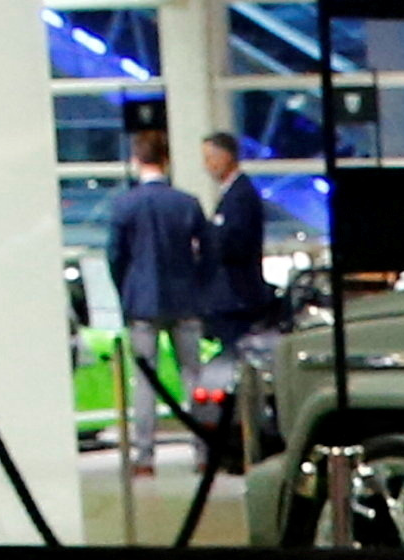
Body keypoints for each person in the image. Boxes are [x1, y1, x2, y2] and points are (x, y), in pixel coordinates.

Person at [100, 131, 209, 461]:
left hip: (142, 303)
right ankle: (203, 450)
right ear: (167, 160)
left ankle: (145, 454)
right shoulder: (187, 203)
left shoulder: (124, 204)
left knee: (145, 380)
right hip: (186, 299)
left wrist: (126, 290)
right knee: (194, 377)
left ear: (136, 161)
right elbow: (208, 252)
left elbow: (115, 256)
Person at [193, 131, 281, 467]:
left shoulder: (242, 197)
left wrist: (208, 241)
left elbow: (235, 244)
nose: (207, 165)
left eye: (210, 157)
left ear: (227, 156)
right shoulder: (233, 196)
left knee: (238, 372)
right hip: (231, 297)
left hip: (238, 298)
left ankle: (243, 443)